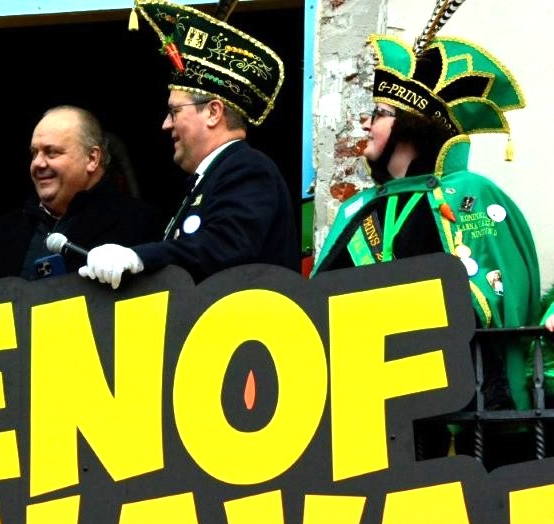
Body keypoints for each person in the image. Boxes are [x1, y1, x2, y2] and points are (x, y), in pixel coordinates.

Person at [312, 23, 539, 416]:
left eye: (379, 114)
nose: (365, 123)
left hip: (460, 408)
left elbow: (491, 298)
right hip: (370, 410)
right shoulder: (358, 208)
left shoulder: (469, 193)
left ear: (411, 124)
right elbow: (319, 301)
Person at [79, 1, 298, 289]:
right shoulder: (211, 178)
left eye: (174, 112)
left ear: (213, 112)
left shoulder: (248, 167)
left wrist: (140, 257)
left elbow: (226, 246)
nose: (165, 124)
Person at [0, 106, 162, 282]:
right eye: (34, 153)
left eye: (51, 152)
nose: (37, 163)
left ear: (92, 158)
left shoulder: (140, 225)